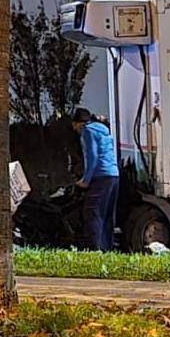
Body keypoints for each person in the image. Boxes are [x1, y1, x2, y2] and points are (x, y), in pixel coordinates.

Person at [72, 107, 120, 251]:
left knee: (92, 212)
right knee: (107, 214)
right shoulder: (104, 131)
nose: (74, 130)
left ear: (79, 123)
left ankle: (95, 249)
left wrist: (85, 180)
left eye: (74, 126)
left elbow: (92, 157)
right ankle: (107, 248)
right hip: (114, 175)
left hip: (101, 176)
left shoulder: (88, 131)